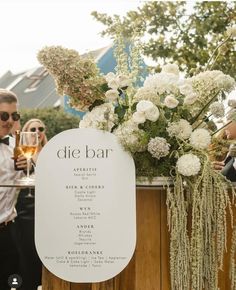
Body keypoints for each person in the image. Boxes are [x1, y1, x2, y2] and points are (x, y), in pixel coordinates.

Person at [0, 89, 27, 290]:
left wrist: (29, 167)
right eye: (3, 115)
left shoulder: (14, 148)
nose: (9, 120)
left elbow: (27, 181)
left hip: (8, 233)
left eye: (14, 115)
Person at [15, 118, 47, 290]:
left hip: (47, 205)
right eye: (32, 129)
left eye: (40, 128)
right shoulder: (21, 154)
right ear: (26, 132)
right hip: (27, 205)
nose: (37, 132)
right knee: (28, 246)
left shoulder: (50, 152)